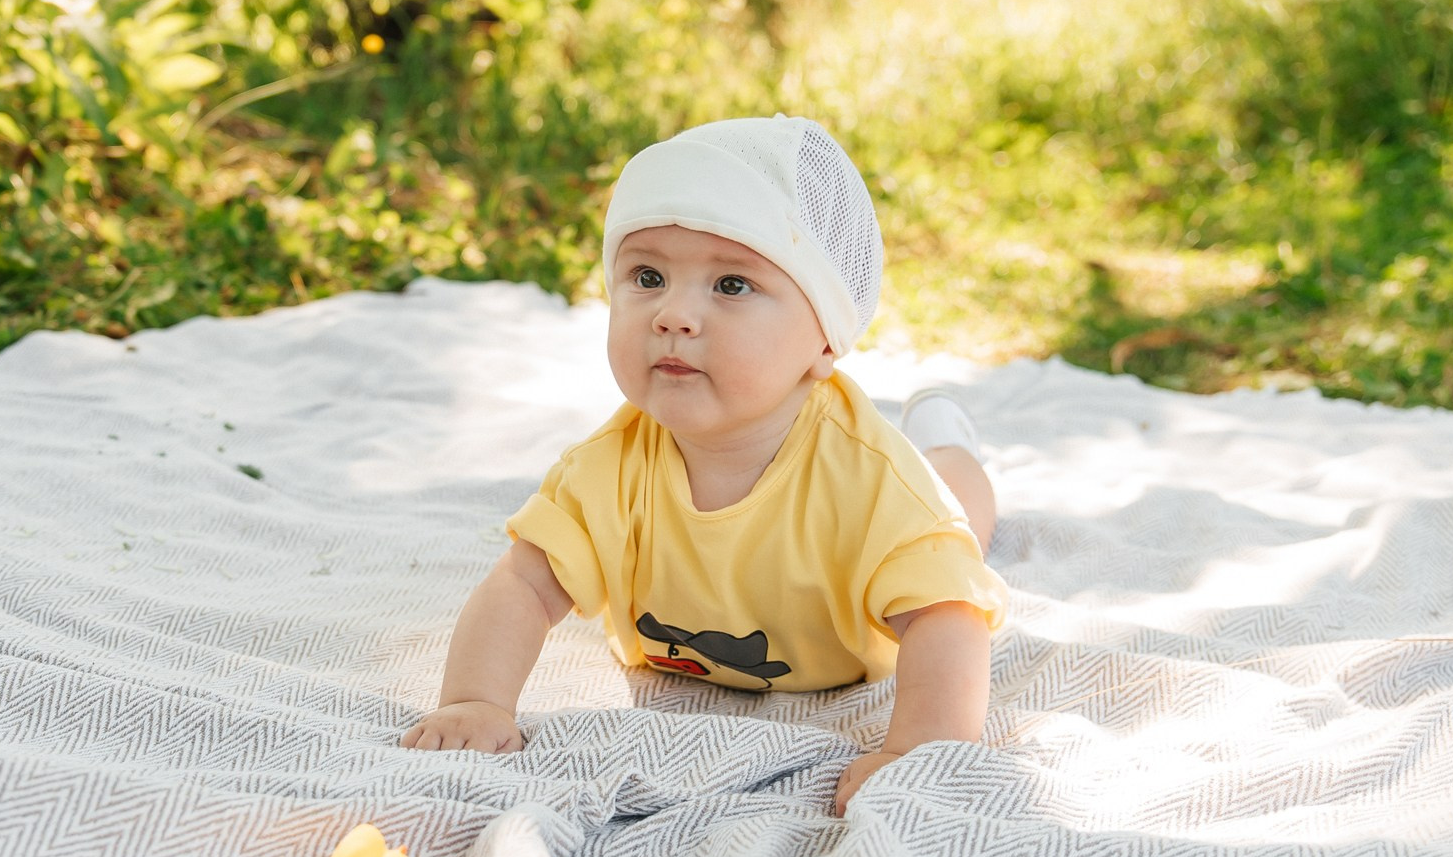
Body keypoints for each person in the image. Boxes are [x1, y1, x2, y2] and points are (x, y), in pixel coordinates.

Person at [400, 115, 1005, 815]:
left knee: (961, 526)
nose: (675, 315)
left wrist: (913, 749)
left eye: (732, 285)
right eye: (648, 276)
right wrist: (477, 701)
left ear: (825, 338)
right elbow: (524, 586)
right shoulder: (607, 469)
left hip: (857, 627)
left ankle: (943, 435)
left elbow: (949, 620)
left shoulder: (873, 485)